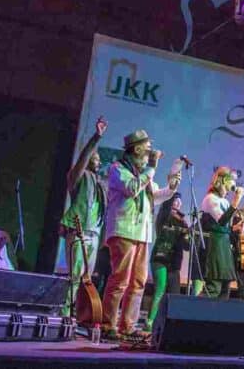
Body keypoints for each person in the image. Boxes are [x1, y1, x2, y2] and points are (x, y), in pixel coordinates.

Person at [100, 130, 180, 339]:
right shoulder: (118, 169)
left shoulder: (143, 173)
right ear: (136, 149)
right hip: (124, 231)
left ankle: (128, 325)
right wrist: (152, 167)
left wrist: (170, 188)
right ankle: (109, 325)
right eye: (147, 148)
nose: (149, 153)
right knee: (120, 279)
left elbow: (155, 195)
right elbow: (132, 189)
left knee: (138, 281)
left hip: (142, 234)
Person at [59, 116, 107, 318]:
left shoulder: (100, 183)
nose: (98, 162)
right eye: (95, 160)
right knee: (74, 276)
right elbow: (83, 158)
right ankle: (64, 313)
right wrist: (96, 137)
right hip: (78, 231)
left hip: (93, 234)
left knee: (86, 277)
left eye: (98, 160)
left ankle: (78, 314)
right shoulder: (77, 178)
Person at [200, 166, 244, 299]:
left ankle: (217, 318)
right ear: (223, 180)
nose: (233, 184)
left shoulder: (225, 201)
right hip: (215, 246)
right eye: (231, 180)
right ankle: (194, 313)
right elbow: (221, 221)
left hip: (225, 247)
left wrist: (235, 228)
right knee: (213, 288)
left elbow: (226, 226)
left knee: (225, 289)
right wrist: (236, 201)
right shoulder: (210, 199)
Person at [146, 193, 189, 329]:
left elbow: (186, 246)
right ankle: (150, 322)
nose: (178, 203)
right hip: (161, 257)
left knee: (174, 295)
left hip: (174, 263)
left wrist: (189, 233)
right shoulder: (163, 217)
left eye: (180, 201)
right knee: (160, 288)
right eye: (176, 200)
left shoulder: (182, 221)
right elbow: (166, 209)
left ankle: (170, 326)